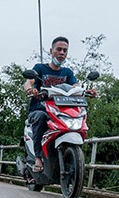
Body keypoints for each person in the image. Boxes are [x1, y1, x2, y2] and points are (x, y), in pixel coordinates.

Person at [23, 36, 77, 172]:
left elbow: (75, 86)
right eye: (59, 49)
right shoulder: (40, 68)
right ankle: (38, 158)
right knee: (41, 117)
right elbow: (29, 82)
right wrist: (30, 89)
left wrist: (86, 91)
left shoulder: (67, 73)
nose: (62, 53)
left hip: (59, 111)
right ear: (51, 51)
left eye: (65, 50)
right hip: (39, 110)